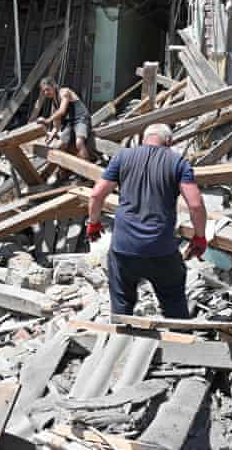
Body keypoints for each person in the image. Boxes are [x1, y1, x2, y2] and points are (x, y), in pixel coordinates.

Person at [86, 123, 208, 319]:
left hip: (124, 248)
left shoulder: (122, 157)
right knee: (174, 304)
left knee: (121, 308)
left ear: (144, 138)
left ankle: (120, 344)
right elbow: (195, 205)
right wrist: (200, 237)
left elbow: (96, 195)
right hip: (162, 249)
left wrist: (93, 223)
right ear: (168, 141)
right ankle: (180, 343)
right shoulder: (178, 163)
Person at [36, 77, 95, 163]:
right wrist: (49, 139)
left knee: (79, 143)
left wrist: (47, 120)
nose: (46, 93)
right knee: (59, 146)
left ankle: (88, 172)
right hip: (70, 124)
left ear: (54, 86)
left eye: (47, 89)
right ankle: (64, 173)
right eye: (44, 91)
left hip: (81, 119)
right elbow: (56, 127)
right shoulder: (54, 104)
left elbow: (62, 111)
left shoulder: (64, 92)